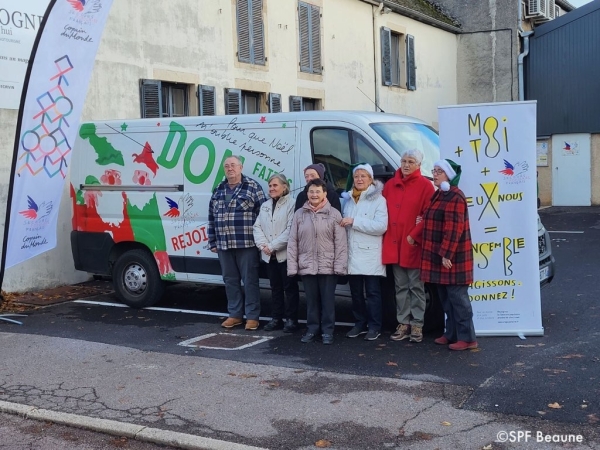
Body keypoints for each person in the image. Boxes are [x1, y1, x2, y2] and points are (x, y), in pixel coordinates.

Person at [410, 159, 477, 351]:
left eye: (439, 171)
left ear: (449, 175)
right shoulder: (439, 194)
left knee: (459, 300)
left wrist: (447, 254)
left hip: (453, 258)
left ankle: (468, 338)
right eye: (434, 170)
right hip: (438, 257)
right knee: (447, 300)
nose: (435, 174)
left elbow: (454, 229)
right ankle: (451, 334)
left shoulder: (455, 197)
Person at [208, 155, 267, 331]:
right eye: (226, 166)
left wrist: (261, 242)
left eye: (233, 165)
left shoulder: (252, 187)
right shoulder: (219, 189)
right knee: (230, 281)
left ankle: (252, 317)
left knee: (250, 281)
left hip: (246, 244)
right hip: (224, 245)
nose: (230, 168)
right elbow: (211, 217)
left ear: (241, 167)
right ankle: (234, 315)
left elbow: (263, 215)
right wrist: (212, 241)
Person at [382, 149, 434, 343]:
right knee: (400, 287)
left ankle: (418, 324)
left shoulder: (425, 186)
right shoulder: (390, 185)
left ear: (418, 165)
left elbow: (428, 215)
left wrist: (414, 234)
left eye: (411, 161)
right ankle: (403, 322)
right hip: (395, 243)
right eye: (404, 161)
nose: (406, 165)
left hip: (413, 244)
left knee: (416, 287)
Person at [287, 178, 347, 344]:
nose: (314, 194)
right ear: (307, 194)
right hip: (307, 265)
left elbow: (341, 243)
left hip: (328, 266)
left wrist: (339, 267)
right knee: (311, 301)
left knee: (328, 301)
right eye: (311, 191)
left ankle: (328, 331)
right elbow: (293, 241)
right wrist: (292, 266)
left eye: (317, 191)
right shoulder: (299, 214)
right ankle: (312, 329)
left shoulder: (334, 214)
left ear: (325, 194)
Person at [340, 164, 388, 341]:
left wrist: (354, 221)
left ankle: (375, 326)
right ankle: (359, 323)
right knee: (356, 293)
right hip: (352, 253)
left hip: (369, 254)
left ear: (371, 179)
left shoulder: (379, 200)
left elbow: (381, 227)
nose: (359, 179)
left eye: (364, 176)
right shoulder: (348, 199)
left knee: (373, 293)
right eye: (357, 176)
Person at [253, 174, 300, 333]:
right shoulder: (265, 205)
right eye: (270, 186)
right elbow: (257, 227)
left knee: (290, 288)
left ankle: (291, 320)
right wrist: (263, 245)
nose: (272, 188)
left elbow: (291, 229)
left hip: (285, 255)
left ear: (284, 187)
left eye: (275, 185)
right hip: (269, 255)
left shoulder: (292, 204)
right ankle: (276, 318)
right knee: (275, 288)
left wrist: (272, 246)